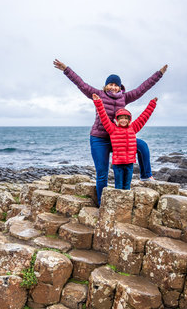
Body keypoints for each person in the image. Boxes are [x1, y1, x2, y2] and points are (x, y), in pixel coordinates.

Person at [53, 59, 168, 205]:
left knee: (142, 145)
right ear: (106, 85)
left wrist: (159, 74)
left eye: (116, 85)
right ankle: (102, 204)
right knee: (102, 174)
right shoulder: (97, 94)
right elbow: (80, 84)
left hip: (118, 139)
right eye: (111, 84)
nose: (113, 87)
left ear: (120, 87)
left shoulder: (125, 97)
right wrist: (66, 69)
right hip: (99, 139)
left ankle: (146, 175)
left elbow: (142, 89)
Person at [92, 93, 157, 189]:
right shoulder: (112, 129)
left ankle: (126, 204)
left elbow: (144, 117)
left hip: (129, 164)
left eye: (126, 118)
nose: (123, 120)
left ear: (129, 120)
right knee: (118, 187)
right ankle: (118, 203)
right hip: (118, 165)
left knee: (127, 187)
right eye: (121, 118)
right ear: (117, 120)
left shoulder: (133, 128)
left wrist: (152, 104)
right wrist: (98, 102)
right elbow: (103, 116)